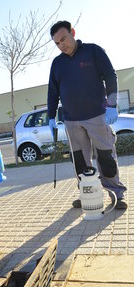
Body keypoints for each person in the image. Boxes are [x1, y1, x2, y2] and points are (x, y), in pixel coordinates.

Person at [48, 21, 127, 210]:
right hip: (71, 120)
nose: (61, 45)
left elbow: (110, 75)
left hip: (97, 116)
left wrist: (111, 104)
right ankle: (87, 194)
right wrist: (51, 117)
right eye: (57, 43)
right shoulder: (57, 63)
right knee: (80, 161)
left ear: (72, 32)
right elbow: (53, 91)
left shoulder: (93, 51)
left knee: (106, 156)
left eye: (64, 39)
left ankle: (116, 194)